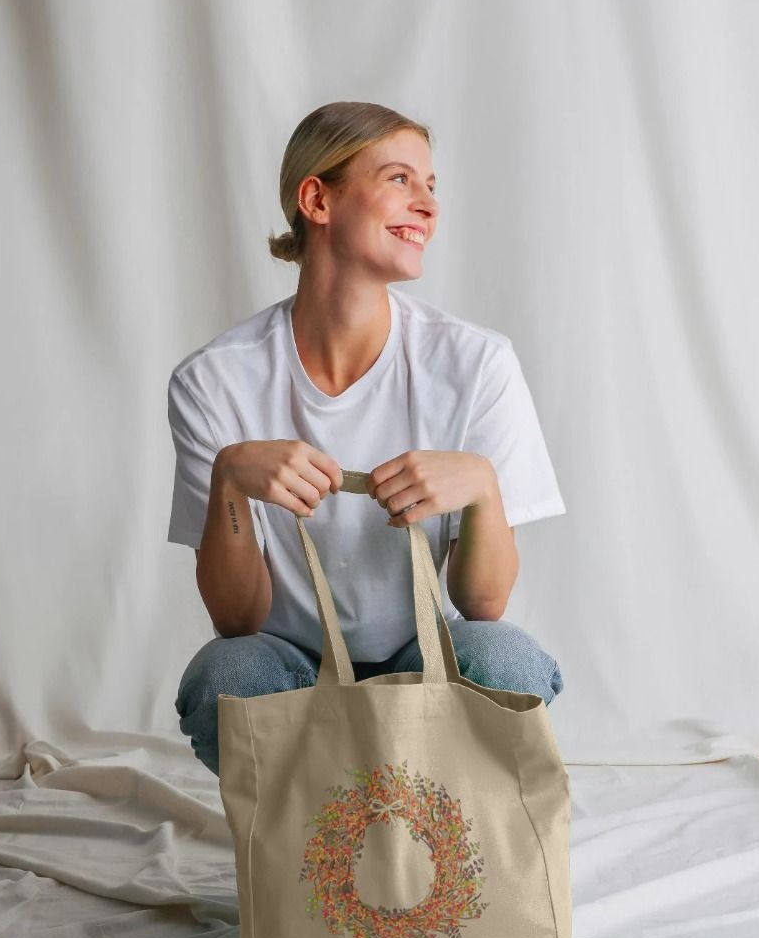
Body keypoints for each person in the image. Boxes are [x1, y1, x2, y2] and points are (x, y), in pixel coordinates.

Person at [168, 101, 566, 776]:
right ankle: (309, 855)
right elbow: (237, 620)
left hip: (425, 656)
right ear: (317, 199)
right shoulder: (214, 381)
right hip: (291, 667)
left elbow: (484, 605)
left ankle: (444, 844)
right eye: (400, 180)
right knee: (223, 675)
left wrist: (482, 488)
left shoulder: (475, 364)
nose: (429, 206)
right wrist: (230, 479)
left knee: (506, 660)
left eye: (431, 186)